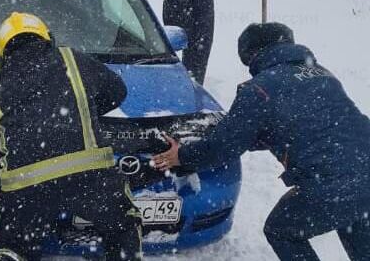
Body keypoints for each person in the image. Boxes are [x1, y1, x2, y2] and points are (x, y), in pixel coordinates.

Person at [152, 22, 370, 261]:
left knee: (281, 230)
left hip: (331, 183)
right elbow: (300, 125)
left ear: (252, 54)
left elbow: (223, 147)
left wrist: (182, 155)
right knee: (355, 220)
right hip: (365, 171)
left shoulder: (259, 89)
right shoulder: (323, 74)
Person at [0, 13, 143, 261]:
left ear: (2, 55)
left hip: (26, 187)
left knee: (11, 243)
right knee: (123, 223)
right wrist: (83, 107)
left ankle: (9, 253)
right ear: (48, 38)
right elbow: (117, 91)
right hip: (90, 176)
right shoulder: (72, 59)